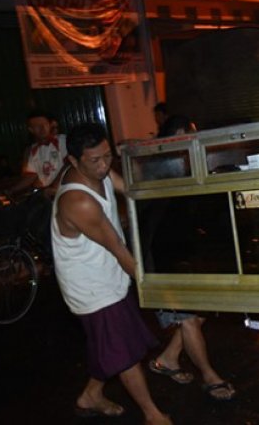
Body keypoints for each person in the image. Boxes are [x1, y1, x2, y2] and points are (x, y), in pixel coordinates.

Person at [51, 122, 171, 425]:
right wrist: (154, 286)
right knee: (125, 353)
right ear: (73, 161)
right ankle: (152, 415)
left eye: (107, 156)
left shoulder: (101, 172)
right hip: (92, 289)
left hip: (108, 277)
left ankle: (91, 395)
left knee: (113, 345)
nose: (104, 165)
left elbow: (129, 186)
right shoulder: (78, 200)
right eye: (95, 160)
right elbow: (117, 247)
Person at [143, 115, 235, 401]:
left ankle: (168, 359)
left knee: (199, 312)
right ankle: (210, 377)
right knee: (189, 318)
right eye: (188, 133)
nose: (194, 138)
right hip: (163, 254)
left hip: (184, 251)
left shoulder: (187, 162)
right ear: (175, 135)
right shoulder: (160, 165)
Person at [7, 110, 67, 197]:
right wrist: (11, 190)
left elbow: (69, 165)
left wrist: (54, 186)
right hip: (47, 193)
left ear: (50, 125)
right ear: (31, 130)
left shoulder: (63, 141)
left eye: (45, 124)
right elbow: (31, 175)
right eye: (37, 126)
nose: (42, 128)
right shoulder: (33, 150)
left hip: (64, 190)